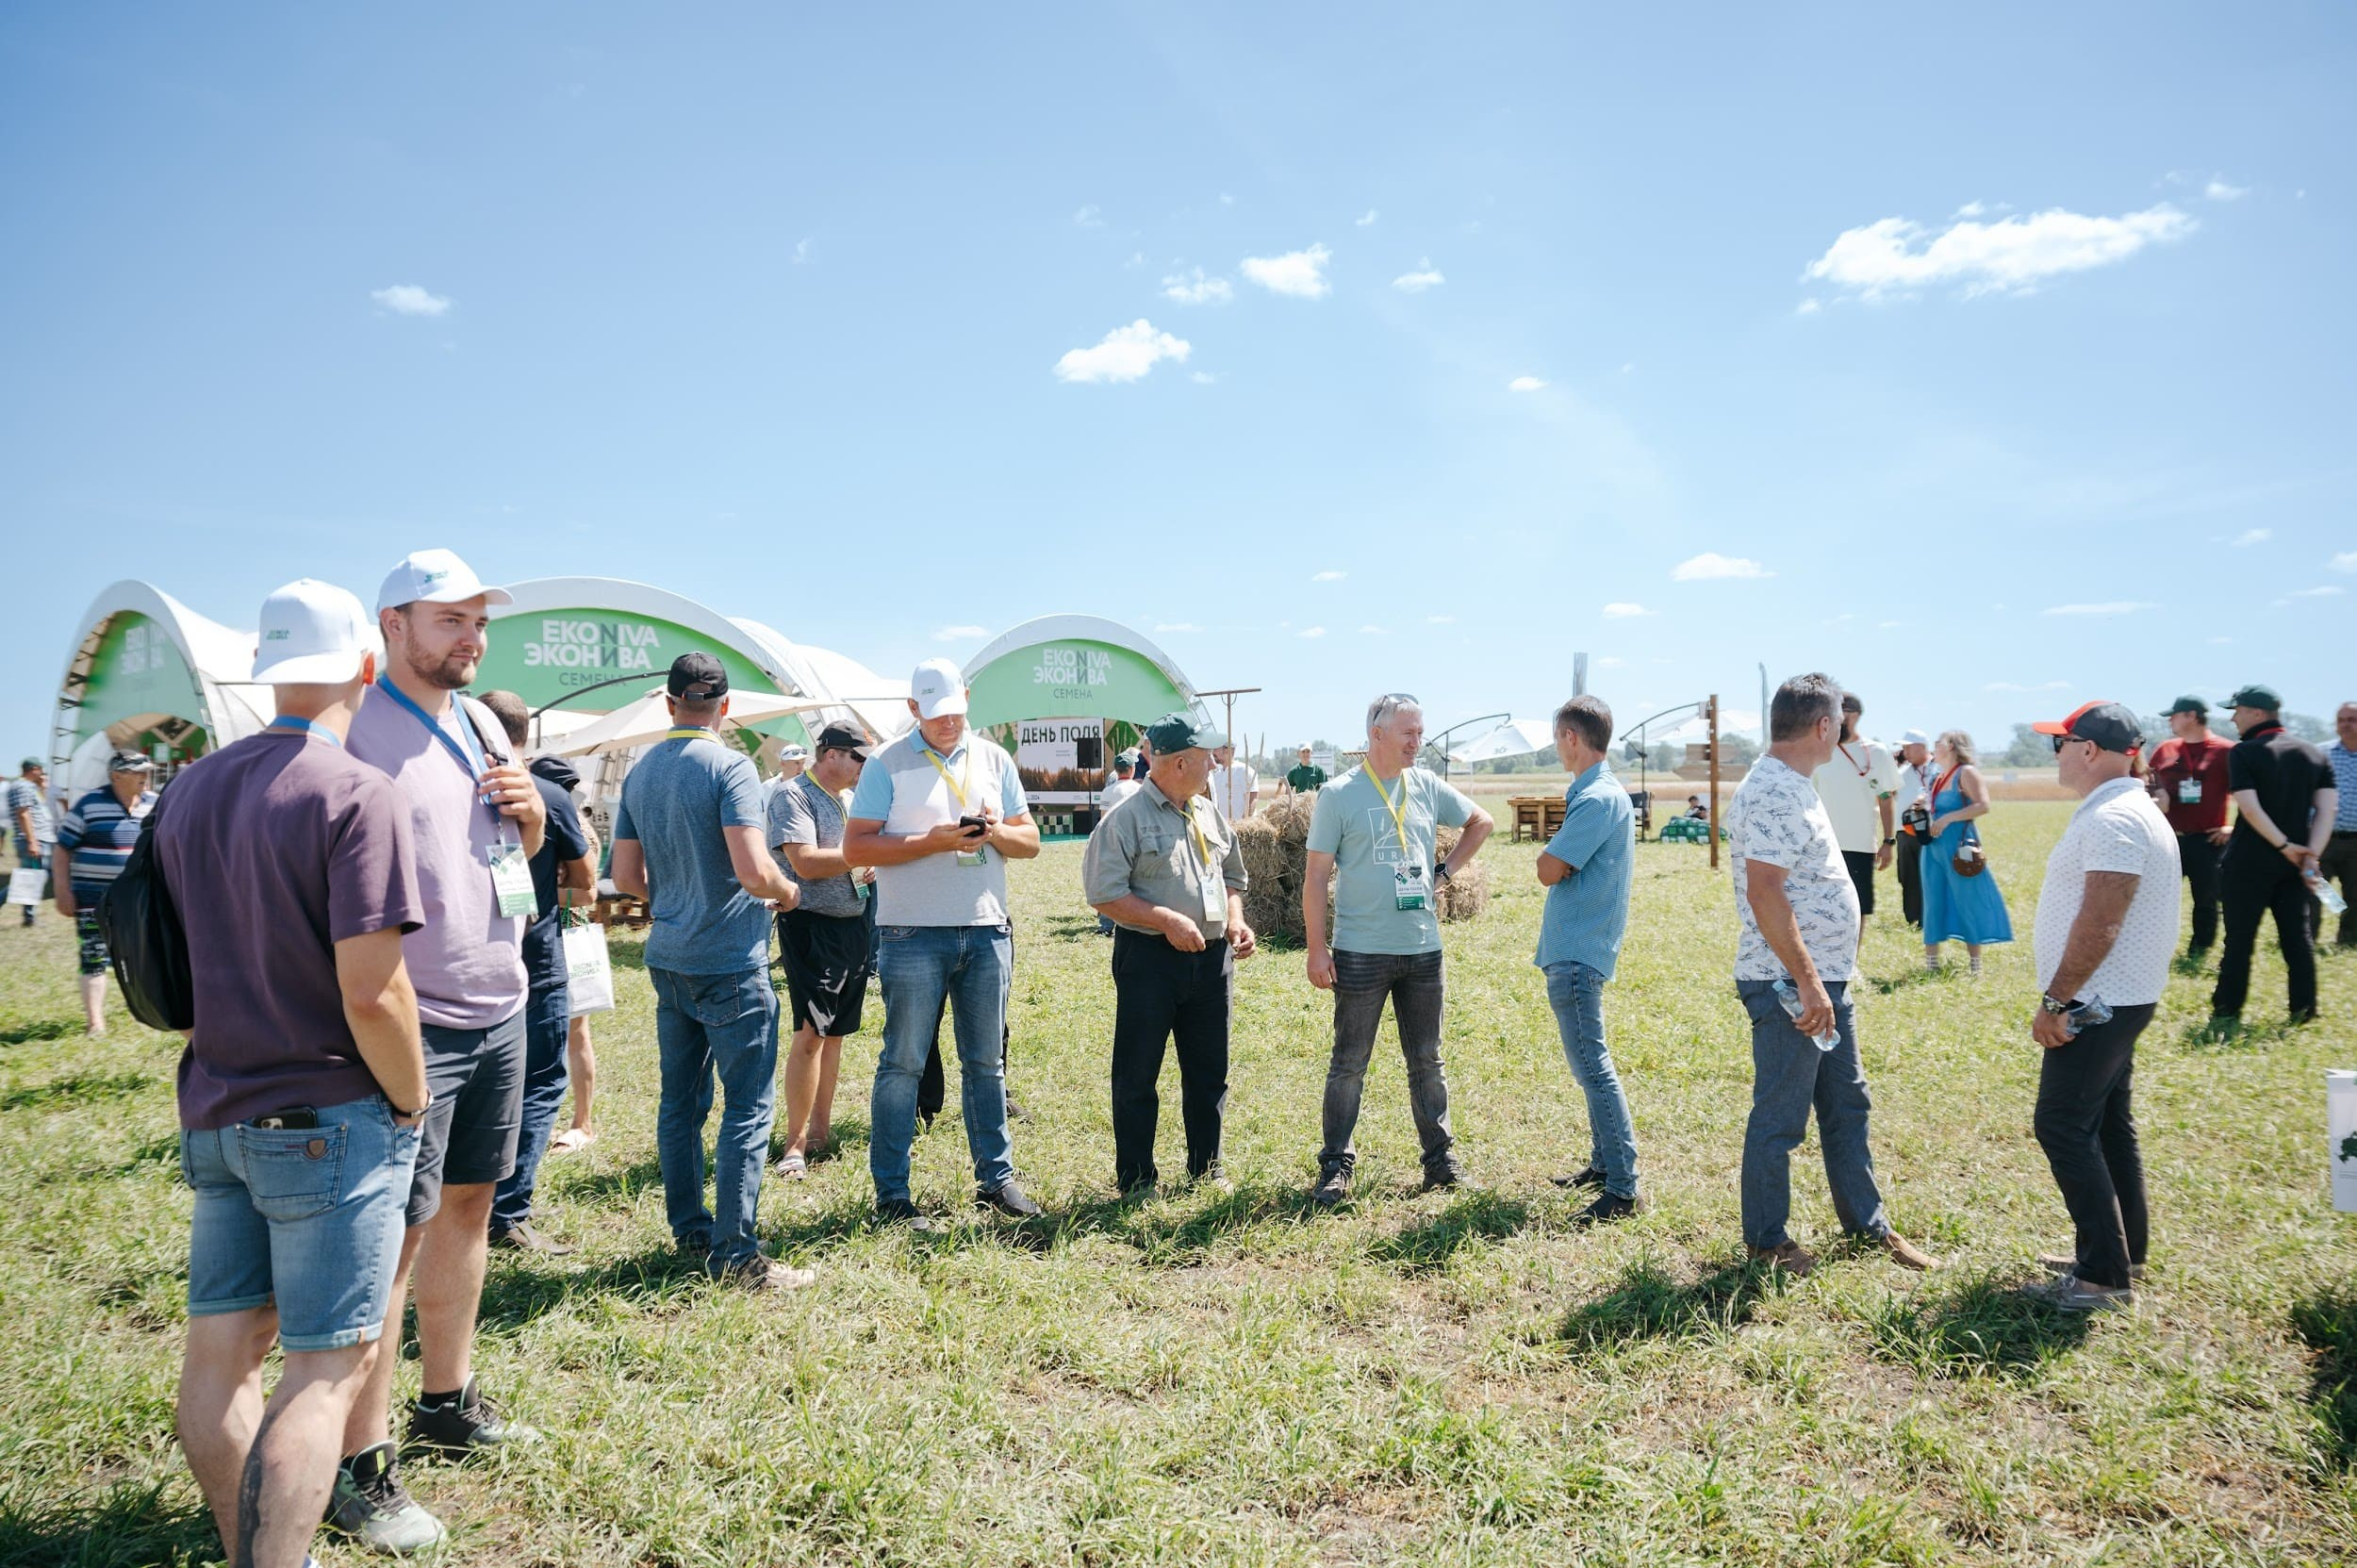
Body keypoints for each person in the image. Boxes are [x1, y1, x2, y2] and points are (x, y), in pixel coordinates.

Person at [157, 579, 431, 1568]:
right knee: (326, 1364)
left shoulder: (190, 787)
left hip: (216, 1103)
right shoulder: (358, 791)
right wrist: (411, 1095)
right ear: (367, 662)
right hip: (327, 1110)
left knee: (218, 1354)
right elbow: (373, 992)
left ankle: (255, 1549)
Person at [332, 549, 547, 1554]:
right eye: (448, 620)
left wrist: (535, 819)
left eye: (477, 622)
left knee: (470, 1205)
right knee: (390, 1244)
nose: (469, 638)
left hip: (502, 996)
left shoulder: (481, 720)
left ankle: (446, 1398)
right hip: (414, 1016)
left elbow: (512, 849)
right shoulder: (355, 733)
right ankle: (358, 1462)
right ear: (393, 626)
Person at [609, 652, 815, 1291]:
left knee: (680, 1104)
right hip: (729, 960)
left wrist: (672, 899)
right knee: (748, 1110)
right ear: (726, 708)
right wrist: (787, 890)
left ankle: (690, 1228)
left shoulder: (640, 773)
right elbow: (754, 870)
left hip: (669, 959)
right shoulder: (731, 766)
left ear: (668, 702)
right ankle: (735, 1252)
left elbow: (623, 878)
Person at [1729, 673, 1939, 1279]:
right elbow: (1765, 893)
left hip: (1823, 980)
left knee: (1847, 1104)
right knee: (1781, 1116)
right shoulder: (1773, 790)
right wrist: (1809, 982)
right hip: (1789, 983)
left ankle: (1867, 1226)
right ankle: (1768, 1242)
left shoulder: (1795, 784)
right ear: (1827, 726)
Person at [844, 657, 1043, 1228]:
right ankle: (892, 1194)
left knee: (987, 1064)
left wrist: (994, 830)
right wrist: (931, 841)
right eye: (935, 716)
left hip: (985, 929)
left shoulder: (994, 759)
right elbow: (857, 849)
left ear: (967, 699)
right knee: (902, 1064)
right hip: (910, 934)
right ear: (912, 710)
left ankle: (996, 1180)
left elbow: (1028, 842)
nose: (948, 724)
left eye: (955, 712)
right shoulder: (885, 763)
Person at [1303, 693, 1494, 1204]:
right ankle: (1335, 1166)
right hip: (1360, 951)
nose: (1418, 742)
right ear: (1377, 734)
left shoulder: (1427, 785)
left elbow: (1483, 822)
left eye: (1420, 732)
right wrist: (1317, 948)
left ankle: (1440, 1162)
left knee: (1428, 1060)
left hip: (1422, 949)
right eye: (1409, 733)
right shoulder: (1338, 794)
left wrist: (1443, 873)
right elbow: (1317, 875)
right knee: (1349, 1062)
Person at [2023, 701, 2179, 1314]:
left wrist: (2057, 1000)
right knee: (2109, 1124)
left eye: (2058, 743)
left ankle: (2103, 1274)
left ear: (2088, 749)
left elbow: (2101, 920)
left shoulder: (2115, 817)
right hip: (2119, 996)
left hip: (2096, 1002)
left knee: (2061, 1124)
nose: (2056, 754)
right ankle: (2121, 1250)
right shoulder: (2127, 809)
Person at [1084, 713, 1256, 1195]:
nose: (1216, 766)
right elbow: (1103, 893)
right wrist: (1167, 920)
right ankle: (1137, 1178)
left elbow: (1233, 878)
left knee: (1209, 1070)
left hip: (1212, 960)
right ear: (1181, 762)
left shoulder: (1208, 813)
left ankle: (1207, 1167)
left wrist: (1236, 920)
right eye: (1209, 759)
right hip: (1150, 961)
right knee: (1138, 1072)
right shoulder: (1126, 819)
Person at [475, 689, 594, 1255]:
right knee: (542, 1080)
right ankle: (508, 1210)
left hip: (461, 962)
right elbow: (586, 883)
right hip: (536, 957)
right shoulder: (546, 795)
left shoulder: (455, 792)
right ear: (525, 733)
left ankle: (470, 1203)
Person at [1533, 696, 1641, 1225]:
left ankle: (1623, 1186)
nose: (1557, 748)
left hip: (1578, 949)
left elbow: (1549, 869)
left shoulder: (1596, 798)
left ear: (1572, 738)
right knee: (1590, 1069)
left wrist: (1552, 860)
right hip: (1581, 946)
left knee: (1594, 1069)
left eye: (1558, 738)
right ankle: (1604, 1166)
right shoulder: (1600, 794)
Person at [767, 722, 878, 1179]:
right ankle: (794, 1146)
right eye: (859, 759)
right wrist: (867, 854)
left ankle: (820, 1132)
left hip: (853, 924)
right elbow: (806, 863)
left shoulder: (849, 799)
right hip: (810, 926)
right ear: (831, 754)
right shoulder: (792, 796)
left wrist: (868, 864)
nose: (863, 769)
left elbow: (848, 858)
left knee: (835, 1035)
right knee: (811, 1034)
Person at [2210, 683, 2335, 1030]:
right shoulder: (2315, 754)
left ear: (2257, 713)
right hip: (2296, 867)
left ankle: (2227, 1011)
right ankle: (2304, 1010)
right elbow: (2327, 811)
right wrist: (2310, 855)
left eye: (2237, 711)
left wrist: (2282, 845)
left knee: (2239, 941)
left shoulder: (2244, 752)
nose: (2234, 719)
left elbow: (2249, 808)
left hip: (2249, 863)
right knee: (2298, 940)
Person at [53, 748, 157, 1034]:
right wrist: (62, 890)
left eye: (145, 771)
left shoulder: (155, 804)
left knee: (142, 957)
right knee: (94, 957)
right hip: (92, 901)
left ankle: (146, 1011)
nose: (144, 777)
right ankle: (95, 1022)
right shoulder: (89, 804)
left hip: (138, 900)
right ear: (116, 776)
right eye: (137, 772)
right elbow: (62, 849)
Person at [2145, 695, 2233, 959]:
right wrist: (2158, 793)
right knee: (2154, 898)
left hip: (2208, 841)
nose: (2169, 720)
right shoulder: (2165, 749)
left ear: (2192, 716)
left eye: (2174, 715)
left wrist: (2233, 829)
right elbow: (2149, 781)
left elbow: (2248, 792)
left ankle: (2200, 948)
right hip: (2167, 838)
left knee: (2206, 900)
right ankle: (2151, 949)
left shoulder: (2227, 751)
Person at [1919, 729, 2013, 974]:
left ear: (1951, 746)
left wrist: (1949, 817)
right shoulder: (1937, 777)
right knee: (1932, 902)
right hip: (1933, 847)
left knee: (1968, 900)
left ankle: (1975, 966)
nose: (1934, 745)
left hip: (1960, 847)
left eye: (1938, 742)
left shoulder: (1966, 772)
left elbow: (1983, 806)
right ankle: (1932, 964)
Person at [1807, 693, 1899, 939]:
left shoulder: (1877, 753)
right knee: (1821, 906)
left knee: (1857, 907)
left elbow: (1886, 797)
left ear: (1854, 715)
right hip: (1822, 844)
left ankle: (1850, 964)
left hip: (1860, 844)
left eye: (1839, 711)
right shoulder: (1818, 751)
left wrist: (1889, 841)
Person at [2318, 700, 2357, 949]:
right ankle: (2306, 938)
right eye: (2342, 720)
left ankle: (2348, 941)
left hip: (2355, 842)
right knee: (2315, 891)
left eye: (2352, 720)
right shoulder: (2321, 753)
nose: (2346, 725)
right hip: (2322, 839)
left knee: (2355, 896)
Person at [1890, 731, 1934, 929]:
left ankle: (1930, 919)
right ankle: (1913, 917)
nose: (1904, 751)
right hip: (1905, 831)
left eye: (1908, 747)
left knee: (1930, 876)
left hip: (1931, 832)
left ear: (1922, 747)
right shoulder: (1901, 772)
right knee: (1907, 875)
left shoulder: (1938, 769)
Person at [8, 755, 52, 928]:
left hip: (36, 838)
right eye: (40, 769)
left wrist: (42, 788)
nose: (42, 773)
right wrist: (32, 841)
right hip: (33, 839)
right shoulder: (22, 786)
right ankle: (29, 917)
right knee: (30, 878)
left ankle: (29, 917)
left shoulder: (27, 786)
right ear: (34, 769)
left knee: (32, 877)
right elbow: (23, 813)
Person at [1211, 741, 1258, 822]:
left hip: (1241, 828)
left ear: (1227, 751)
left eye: (1215, 749)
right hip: (1222, 827)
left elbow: (1253, 799)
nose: (1213, 752)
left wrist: (1244, 824)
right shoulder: (1216, 774)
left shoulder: (1245, 770)